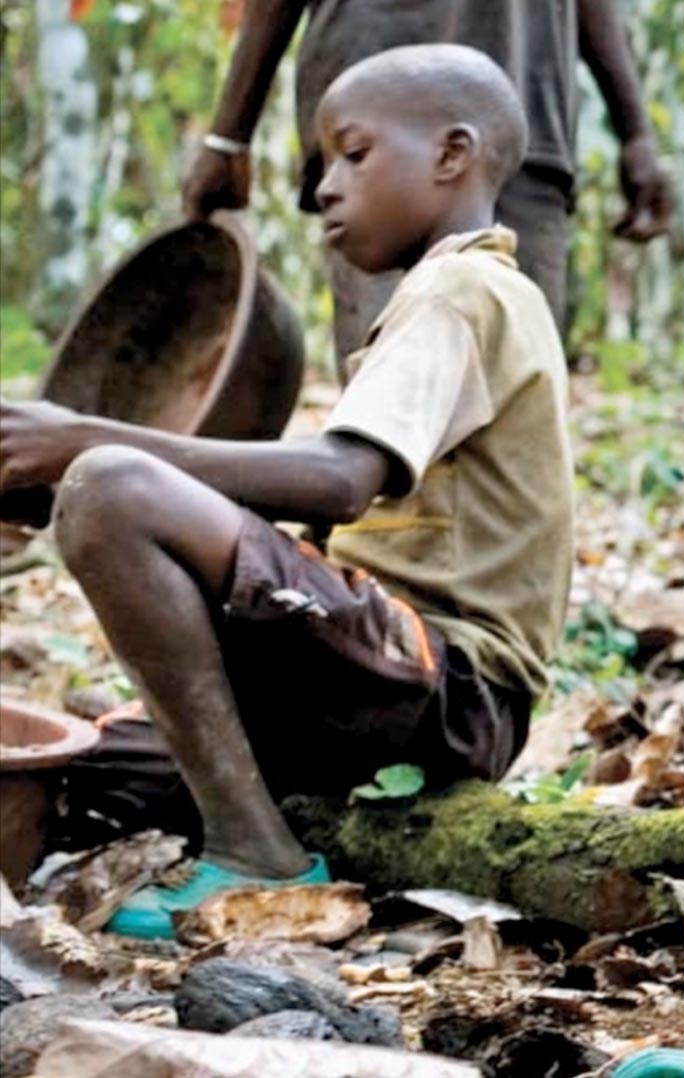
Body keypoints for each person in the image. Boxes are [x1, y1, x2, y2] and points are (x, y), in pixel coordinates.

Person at [0, 44, 574, 939]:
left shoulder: (462, 290)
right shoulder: (460, 295)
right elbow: (314, 521)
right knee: (73, 773)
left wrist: (87, 442)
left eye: (353, 153)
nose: (323, 193)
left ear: (452, 155)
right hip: (376, 682)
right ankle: (229, 819)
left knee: (109, 484)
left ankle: (252, 849)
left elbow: (342, 482)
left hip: (448, 688)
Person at [184, 0, 671, 359]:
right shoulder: (365, 161)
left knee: (514, 373)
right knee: (386, 374)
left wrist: (636, 131)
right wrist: (228, 137)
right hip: (378, 120)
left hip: (523, 105)